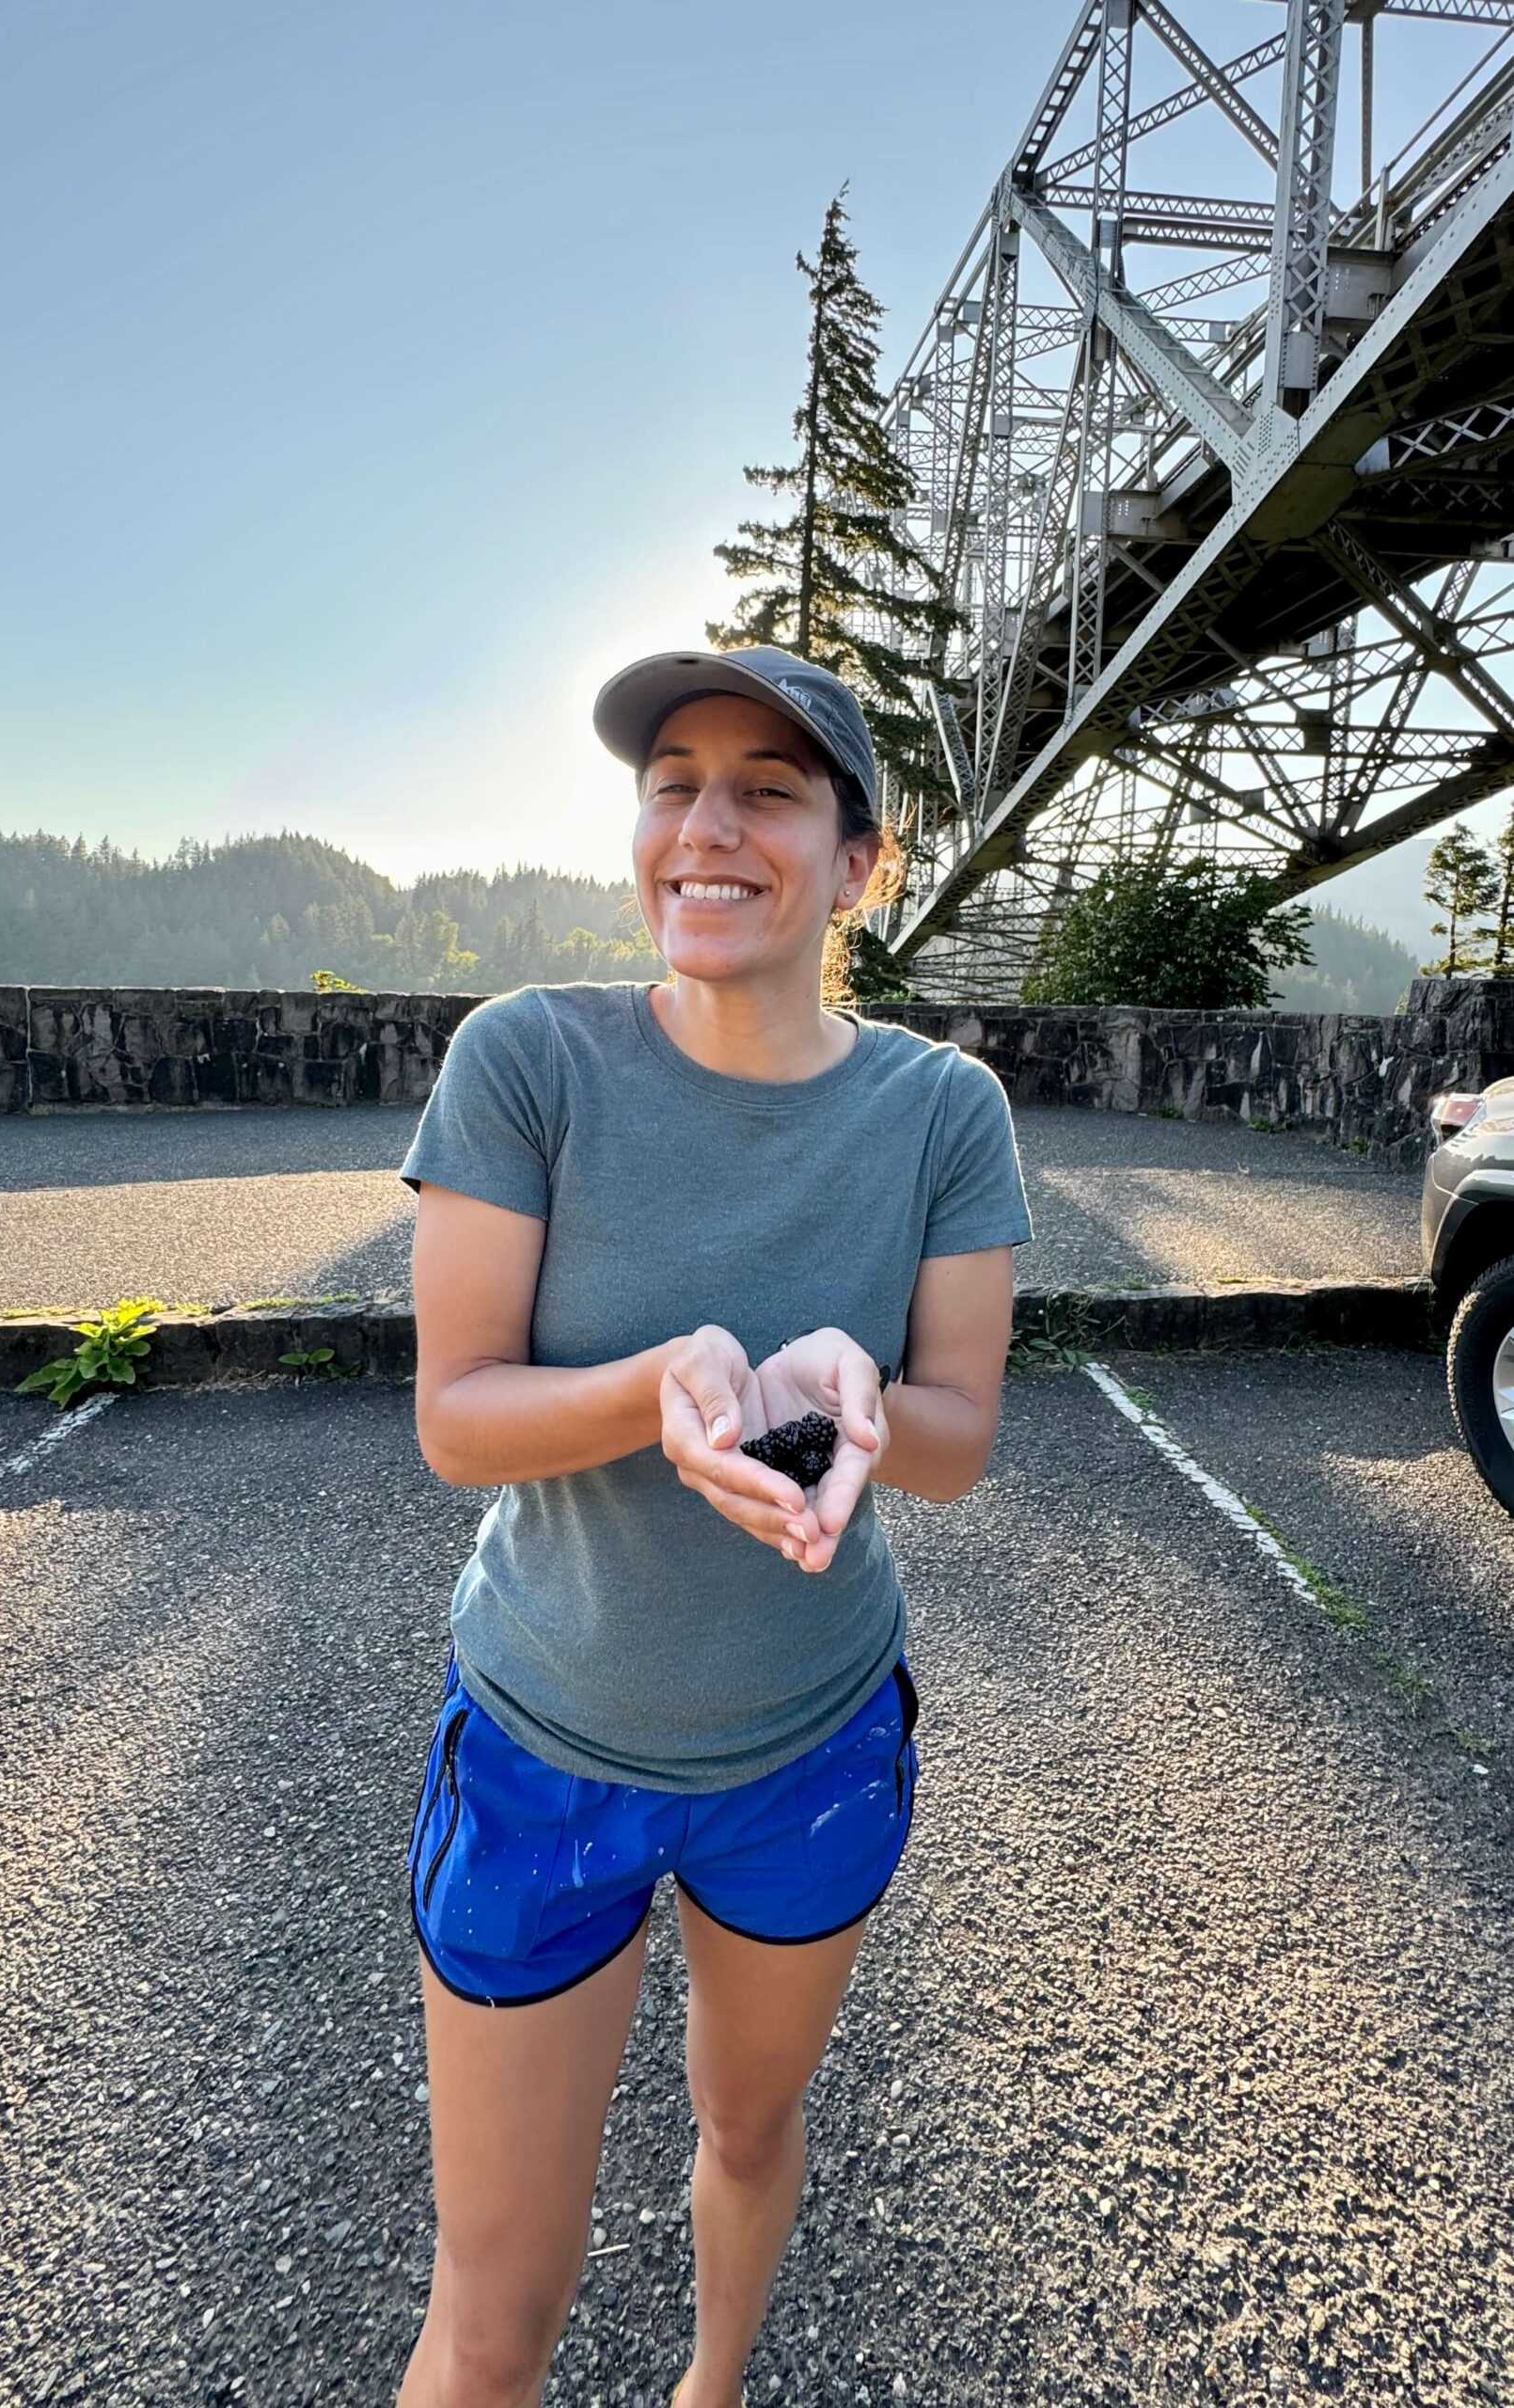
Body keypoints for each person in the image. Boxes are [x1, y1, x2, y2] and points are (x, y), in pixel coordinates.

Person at [393, 644, 1034, 2408]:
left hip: (807, 1746)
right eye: (673, 779)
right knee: (493, 2310)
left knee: (750, 2136)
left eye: (769, 788)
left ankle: (712, 2385)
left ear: (858, 860)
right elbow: (457, 1414)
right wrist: (655, 1385)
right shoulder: (528, 1060)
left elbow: (959, 1440)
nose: (707, 826)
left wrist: (858, 1399)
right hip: (541, 1748)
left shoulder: (937, 1110)